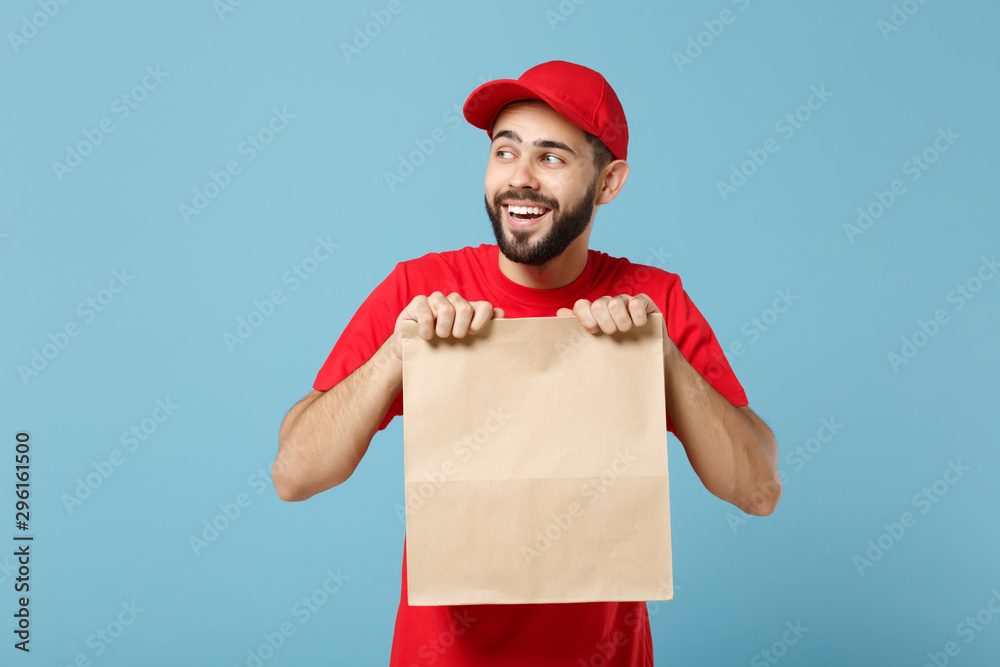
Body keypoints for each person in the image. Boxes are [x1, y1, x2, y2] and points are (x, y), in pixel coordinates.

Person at [272, 60, 781, 666]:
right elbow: (293, 476)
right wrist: (395, 356)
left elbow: (757, 490)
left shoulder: (654, 300)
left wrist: (661, 355)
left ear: (610, 181)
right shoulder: (422, 289)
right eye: (504, 152)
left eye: (552, 158)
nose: (520, 179)